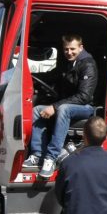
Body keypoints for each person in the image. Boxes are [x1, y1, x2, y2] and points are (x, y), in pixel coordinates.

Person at [24, 34, 98, 179]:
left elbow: (84, 97)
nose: (69, 52)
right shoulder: (69, 63)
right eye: (66, 49)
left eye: (72, 49)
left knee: (63, 109)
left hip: (86, 107)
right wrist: (27, 75)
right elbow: (53, 75)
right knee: (37, 110)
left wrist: (55, 106)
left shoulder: (88, 65)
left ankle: (51, 158)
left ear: (81, 48)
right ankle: (37, 155)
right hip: (70, 103)